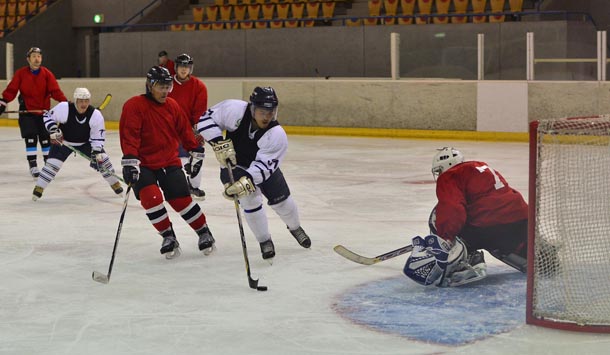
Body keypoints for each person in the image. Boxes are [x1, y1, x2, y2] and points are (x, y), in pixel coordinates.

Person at [195, 86, 311, 260]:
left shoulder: (277, 134)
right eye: (262, 112)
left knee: (283, 203)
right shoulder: (234, 109)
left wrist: (246, 182)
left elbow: (264, 167)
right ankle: (264, 240)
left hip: (262, 169)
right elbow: (205, 119)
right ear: (252, 108)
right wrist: (218, 142)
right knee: (249, 200)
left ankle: (295, 227)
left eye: (271, 112)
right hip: (235, 165)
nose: (267, 117)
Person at [119, 66, 214, 259]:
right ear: (150, 86)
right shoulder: (134, 105)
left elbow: (185, 131)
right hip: (144, 164)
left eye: (168, 87)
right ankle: (168, 236)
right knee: (151, 198)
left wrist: (195, 149)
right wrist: (130, 162)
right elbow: (130, 135)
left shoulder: (172, 105)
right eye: (160, 86)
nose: (165, 91)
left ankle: (203, 231)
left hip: (169, 161)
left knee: (181, 200)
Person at [403, 147, 529, 287]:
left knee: (437, 217)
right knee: (527, 254)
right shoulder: (482, 166)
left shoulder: (450, 175)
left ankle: (464, 263)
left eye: (439, 170)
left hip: (490, 227)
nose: (439, 174)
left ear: (447, 164)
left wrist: (444, 239)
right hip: (522, 218)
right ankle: (543, 256)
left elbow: (453, 208)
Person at [32, 88, 123, 201]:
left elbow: (97, 136)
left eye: (86, 101)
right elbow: (47, 116)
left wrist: (97, 151)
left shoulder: (95, 115)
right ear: (76, 101)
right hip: (64, 142)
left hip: (85, 143)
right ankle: (39, 188)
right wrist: (53, 129)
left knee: (103, 161)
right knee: (51, 166)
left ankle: (115, 184)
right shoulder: (64, 108)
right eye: (81, 101)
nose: (83, 104)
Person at [0, 47, 67, 178]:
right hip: (27, 112)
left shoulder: (47, 74)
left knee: (46, 139)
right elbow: (12, 90)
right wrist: (3, 102)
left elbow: (56, 91)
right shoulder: (21, 73)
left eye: (39, 56)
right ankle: (33, 166)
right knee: (30, 139)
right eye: (34, 56)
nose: (37, 59)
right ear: (28, 59)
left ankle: (48, 165)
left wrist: (65, 103)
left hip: (43, 113)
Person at [168, 53, 208, 200]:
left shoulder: (199, 86)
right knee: (177, 158)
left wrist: (198, 130)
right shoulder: (167, 83)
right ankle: (179, 185)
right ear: (176, 68)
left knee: (197, 157)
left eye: (187, 67)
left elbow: (200, 111)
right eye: (181, 67)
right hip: (169, 128)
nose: (184, 70)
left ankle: (194, 186)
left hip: (189, 128)